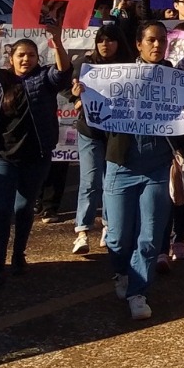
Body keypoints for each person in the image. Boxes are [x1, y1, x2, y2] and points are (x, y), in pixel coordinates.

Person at [0, 20, 74, 287]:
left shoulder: (43, 80)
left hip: (35, 158)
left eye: (31, 55)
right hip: (2, 158)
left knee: (23, 209)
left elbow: (63, 72)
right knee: (1, 209)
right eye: (21, 55)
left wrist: (57, 40)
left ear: (37, 58)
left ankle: (18, 255)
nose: (26, 60)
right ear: (10, 58)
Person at [103, 21, 179, 321]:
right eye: (151, 40)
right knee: (118, 238)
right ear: (138, 44)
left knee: (149, 237)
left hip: (158, 166)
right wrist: (85, 99)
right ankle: (122, 271)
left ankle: (138, 292)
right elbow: (92, 124)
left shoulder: (176, 79)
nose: (157, 45)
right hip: (121, 165)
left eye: (162, 40)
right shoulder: (116, 77)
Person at [69, 22, 130, 255]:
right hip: (90, 130)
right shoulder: (85, 64)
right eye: (101, 40)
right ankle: (82, 230)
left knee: (111, 181)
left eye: (111, 40)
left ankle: (108, 225)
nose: (106, 45)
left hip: (116, 132)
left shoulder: (128, 66)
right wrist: (75, 97)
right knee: (90, 179)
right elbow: (69, 86)